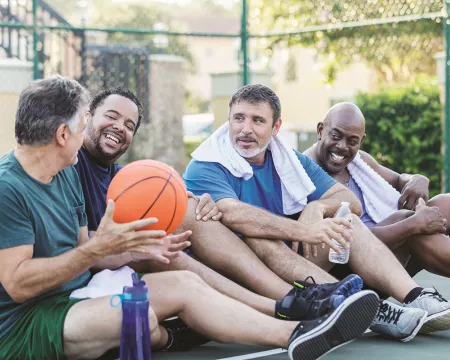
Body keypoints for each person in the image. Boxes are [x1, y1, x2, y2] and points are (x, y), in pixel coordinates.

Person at [0, 76, 380, 360]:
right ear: (63, 133)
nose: (87, 134)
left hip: (74, 296)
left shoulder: (64, 171)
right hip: (27, 325)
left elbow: (85, 250)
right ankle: (176, 334)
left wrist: (134, 246)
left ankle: (296, 332)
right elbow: (18, 284)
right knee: (139, 322)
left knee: (182, 280)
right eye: (85, 124)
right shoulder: (8, 188)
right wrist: (100, 248)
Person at [183, 84, 450, 342]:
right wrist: (304, 230)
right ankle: (375, 309)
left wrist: (316, 207)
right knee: (258, 237)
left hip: (295, 267)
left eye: (258, 120)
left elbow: (349, 200)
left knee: (346, 221)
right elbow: (233, 215)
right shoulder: (207, 164)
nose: (246, 129)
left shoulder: (289, 160)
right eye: (238, 118)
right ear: (228, 120)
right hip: (242, 273)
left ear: (276, 127)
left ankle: (416, 297)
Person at [305, 101, 450, 290]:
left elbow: (399, 180)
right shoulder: (305, 174)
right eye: (336, 136)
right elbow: (348, 245)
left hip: (391, 247)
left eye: (352, 141)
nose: (342, 146)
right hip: (355, 273)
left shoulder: (359, 161)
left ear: (361, 141)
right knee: (409, 222)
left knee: (449, 203)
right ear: (321, 130)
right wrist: (411, 225)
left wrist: (417, 179)